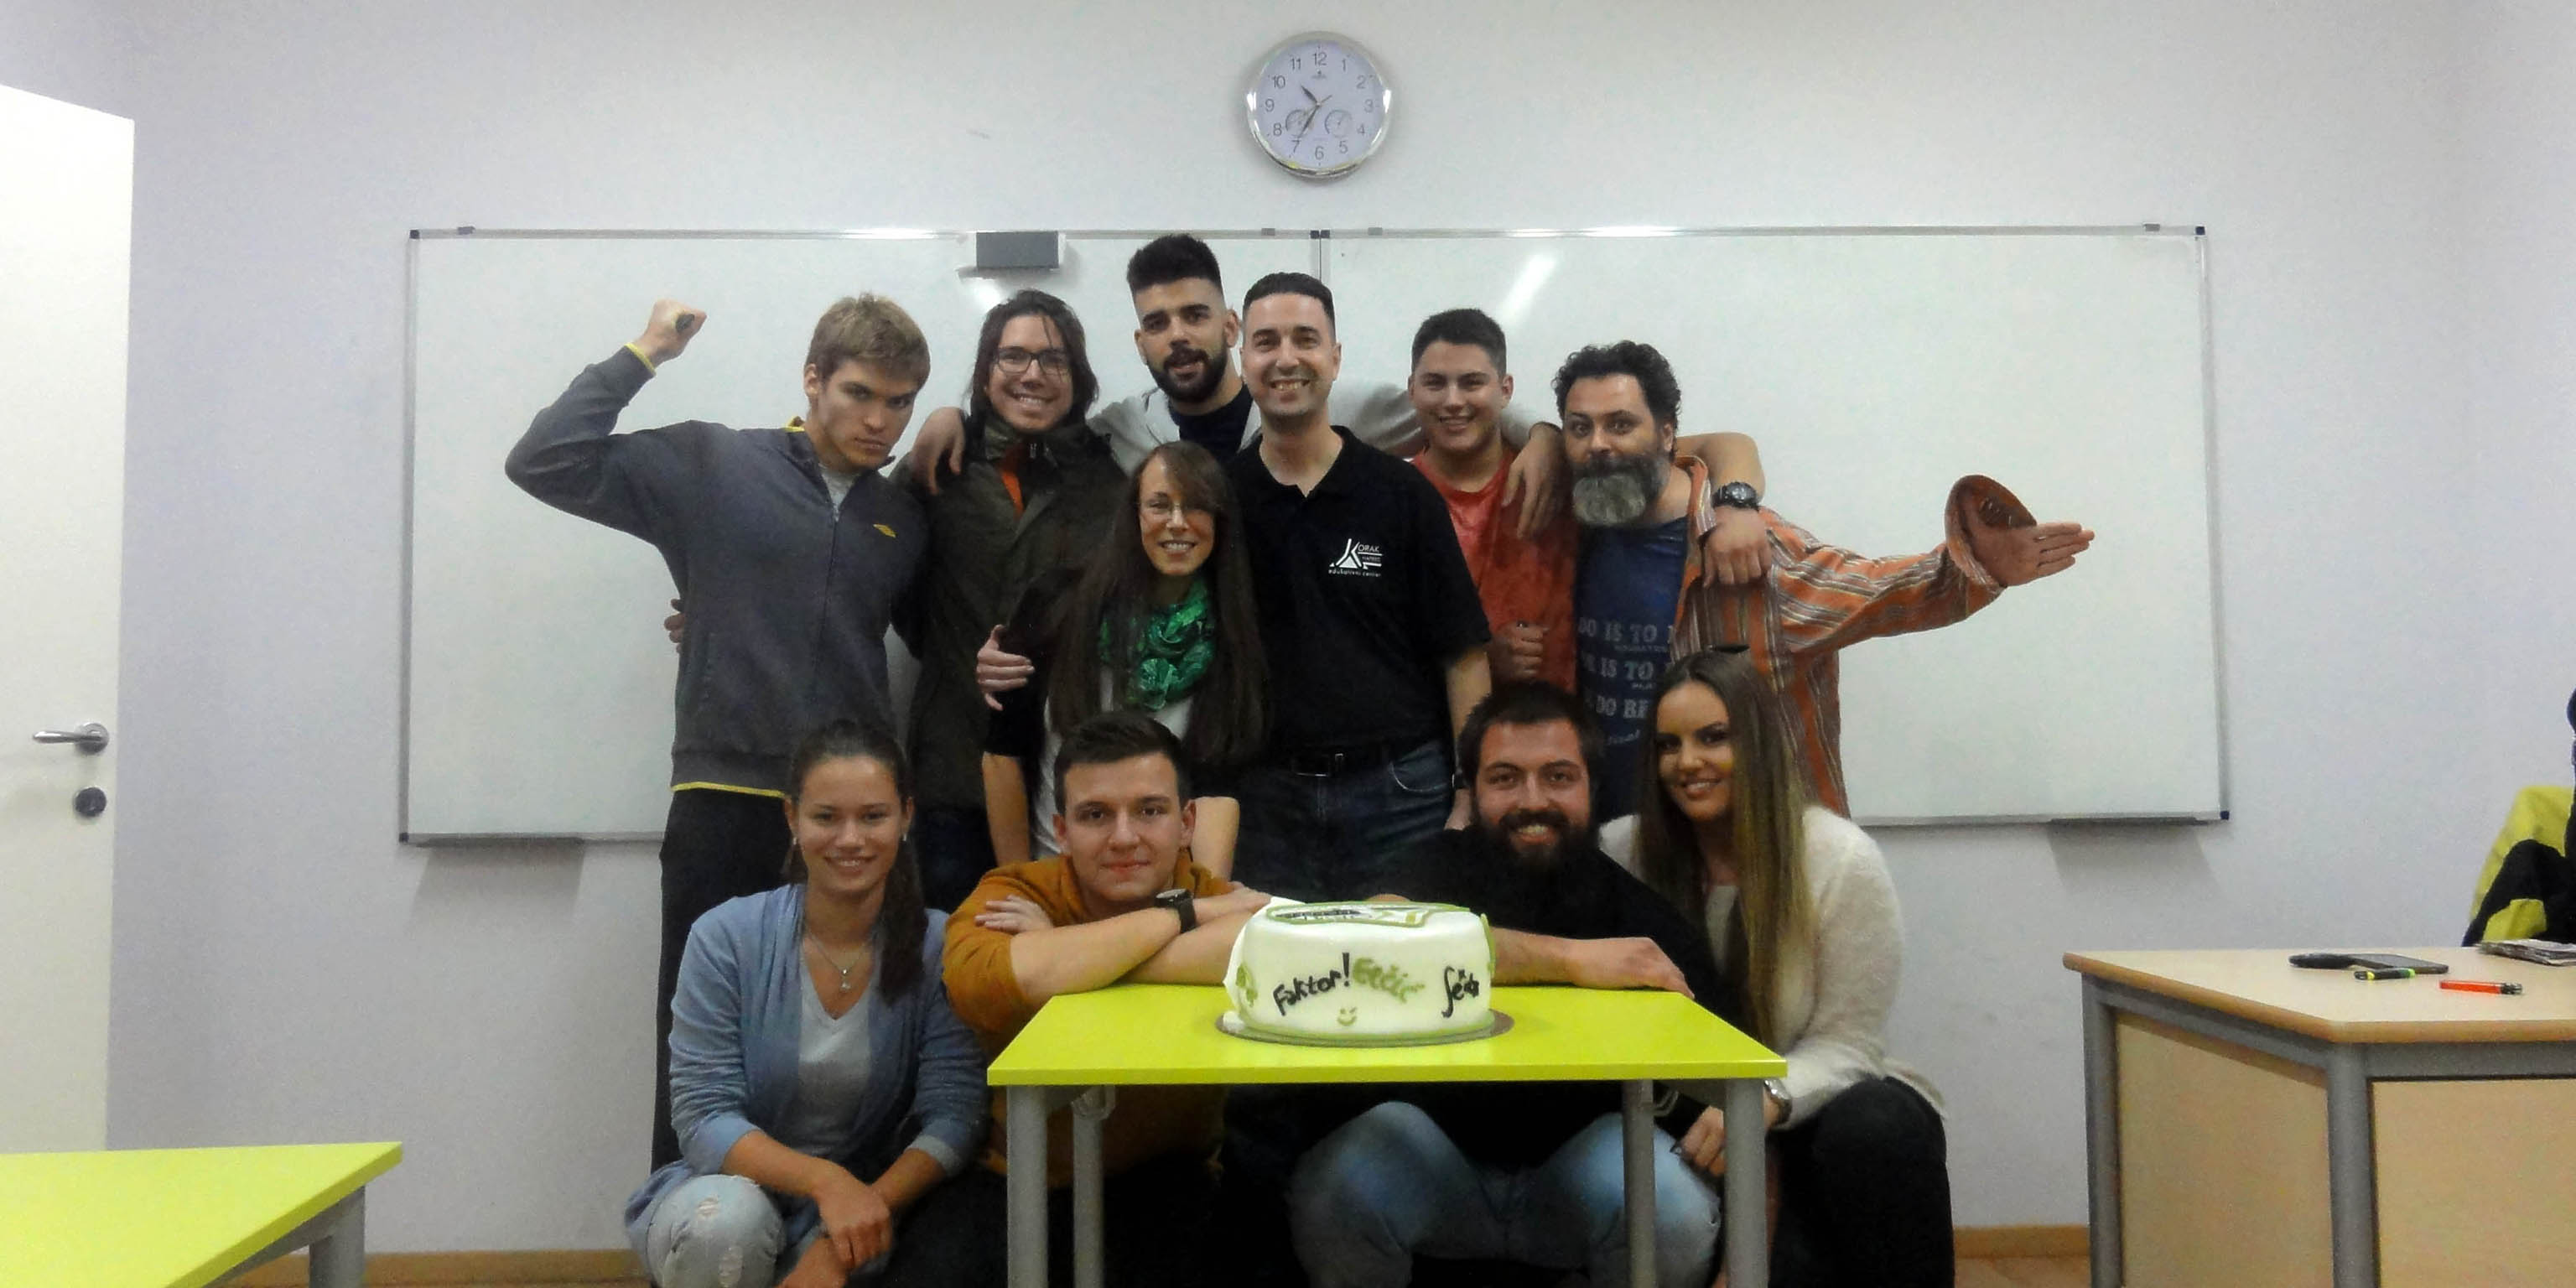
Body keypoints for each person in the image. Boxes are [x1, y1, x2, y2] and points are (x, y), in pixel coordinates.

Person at [508, 295, 932, 1170]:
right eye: (859, 394)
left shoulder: (903, 518)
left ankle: (843, 1221)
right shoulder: (715, 463)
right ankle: (687, 1221)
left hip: (850, 820)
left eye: (900, 403)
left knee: (860, 1036)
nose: (879, 421)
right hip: (725, 799)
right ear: (812, 380)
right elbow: (544, 461)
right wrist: (645, 352)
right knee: (698, 1034)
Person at [1288, 682, 1729, 1288]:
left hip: (1581, 1180)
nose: (1533, 801)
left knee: (1674, 1207)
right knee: (1337, 1185)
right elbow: (1369, 937)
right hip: (1432, 1170)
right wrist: (1569, 960)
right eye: (1505, 778)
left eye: (1558, 777)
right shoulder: (1433, 864)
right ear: (1471, 791)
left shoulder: (1642, 918)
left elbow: (1724, 1075)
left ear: (1593, 788)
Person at [1555, 339, 2096, 815]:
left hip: (1755, 856)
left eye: (1621, 424)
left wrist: (1975, 566)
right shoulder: (1576, 529)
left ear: (1668, 434)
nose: (1598, 444)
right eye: (1580, 428)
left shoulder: (1749, 547)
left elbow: (1883, 591)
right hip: (1616, 846)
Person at [1604, 648, 1954, 1288]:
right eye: (1668, 745)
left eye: (1714, 737)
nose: (1687, 762)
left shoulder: (1840, 860)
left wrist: (1762, 1099)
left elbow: (1850, 1046)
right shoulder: (1622, 851)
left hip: (1816, 1110)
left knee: (1880, 1126)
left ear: (1759, 744)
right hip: (1687, 1122)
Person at [622, 719, 987, 1288]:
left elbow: (955, 1116)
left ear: (907, 817)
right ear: (792, 818)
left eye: (873, 816)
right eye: (826, 817)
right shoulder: (725, 937)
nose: (850, 839)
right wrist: (824, 1181)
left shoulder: (941, 945)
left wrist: (852, 1222)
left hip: (870, 1203)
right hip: (727, 1196)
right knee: (726, 1226)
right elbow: (702, 1116)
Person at [917, 712, 1275, 1286]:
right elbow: (979, 983)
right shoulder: (1017, 891)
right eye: (1095, 815)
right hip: (1025, 1179)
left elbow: (1262, 951)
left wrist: (1069, 955)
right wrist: (1188, 917)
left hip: (1172, 1178)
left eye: (1150, 811)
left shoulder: (1217, 893)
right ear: (1061, 831)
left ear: (1187, 822)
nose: (1124, 837)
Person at [1224, 272, 1493, 902]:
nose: (1286, 358)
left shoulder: (1401, 493)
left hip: (1402, 795)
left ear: (1336, 357)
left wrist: (1468, 791)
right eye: (1266, 341)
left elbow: (1463, 654)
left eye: (1305, 339)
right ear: (1244, 360)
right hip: (1265, 801)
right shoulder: (1219, 498)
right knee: (1274, 963)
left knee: (1402, 962)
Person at [895, 289, 1127, 910]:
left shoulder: (1108, 481)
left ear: (1077, 377)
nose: (1032, 374)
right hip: (955, 770)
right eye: (1013, 356)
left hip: (1070, 777)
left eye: (1053, 359)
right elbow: (878, 575)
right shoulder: (939, 466)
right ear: (985, 372)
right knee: (960, 951)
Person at [980, 441, 1267, 875]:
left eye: (1196, 506)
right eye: (1159, 505)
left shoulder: (1232, 630)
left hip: (1162, 891)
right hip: (1056, 879)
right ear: (1134, 515)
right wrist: (1018, 882)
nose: (1177, 523)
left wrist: (1199, 903)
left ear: (1220, 521)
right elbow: (1002, 755)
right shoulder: (1056, 603)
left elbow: (1218, 786)